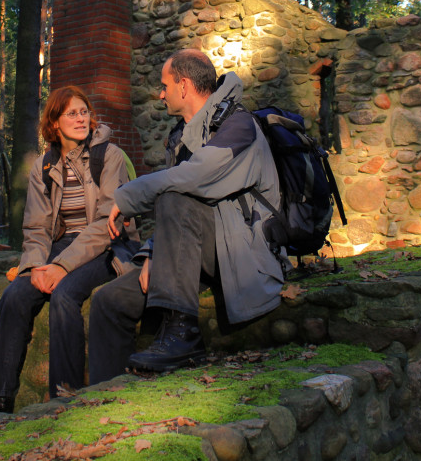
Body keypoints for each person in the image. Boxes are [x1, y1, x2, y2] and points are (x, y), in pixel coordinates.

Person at [87, 49, 283, 381]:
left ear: (184, 85)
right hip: (200, 247)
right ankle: (108, 396)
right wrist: (153, 251)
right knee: (109, 301)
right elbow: (179, 216)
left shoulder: (239, 126)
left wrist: (130, 195)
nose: (160, 94)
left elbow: (192, 180)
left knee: (173, 194)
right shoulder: (181, 137)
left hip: (244, 253)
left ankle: (183, 333)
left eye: (164, 86)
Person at [0, 86, 134, 412]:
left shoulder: (110, 157)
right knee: (15, 296)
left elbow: (109, 222)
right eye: (71, 113)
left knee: (65, 293)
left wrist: (61, 267)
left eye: (84, 112)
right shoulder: (44, 166)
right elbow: (36, 227)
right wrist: (36, 265)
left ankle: (65, 394)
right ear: (54, 123)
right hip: (60, 246)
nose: (81, 118)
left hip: (106, 245)